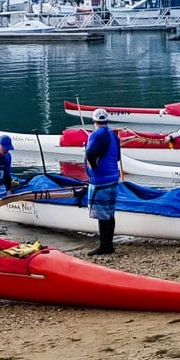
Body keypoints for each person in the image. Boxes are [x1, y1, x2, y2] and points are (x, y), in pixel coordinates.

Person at [83, 109, 121, 255]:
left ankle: (104, 246)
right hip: (113, 178)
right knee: (110, 213)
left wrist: (93, 165)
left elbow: (90, 152)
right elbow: (117, 157)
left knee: (101, 214)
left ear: (94, 122)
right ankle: (109, 244)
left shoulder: (96, 134)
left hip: (100, 179)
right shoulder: (113, 135)